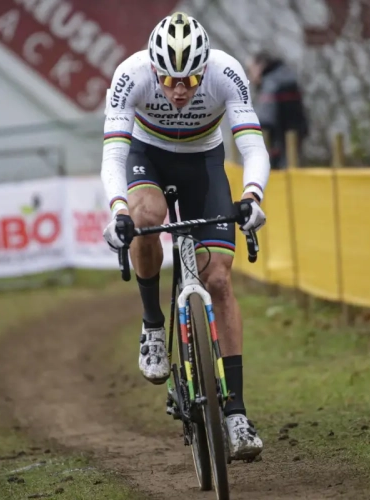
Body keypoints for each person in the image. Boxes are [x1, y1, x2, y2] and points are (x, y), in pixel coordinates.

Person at [100, 12, 268, 461]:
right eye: (170, 79)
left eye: (191, 79)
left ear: (205, 67)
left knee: (219, 280)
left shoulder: (226, 73)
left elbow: (251, 145)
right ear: (154, 68)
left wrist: (252, 196)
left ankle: (235, 413)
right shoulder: (129, 75)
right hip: (147, 157)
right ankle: (153, 324)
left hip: (204, 164)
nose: (179, 90)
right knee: (146, 215)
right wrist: (118, 210)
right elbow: (113, 156)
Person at [246, 50, 309, 169]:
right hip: (294, 137)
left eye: (250, 70)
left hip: (278, 142)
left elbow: (264, 119)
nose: (250, 76)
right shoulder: (286, 75)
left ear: (260, 66)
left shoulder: (271, 83)